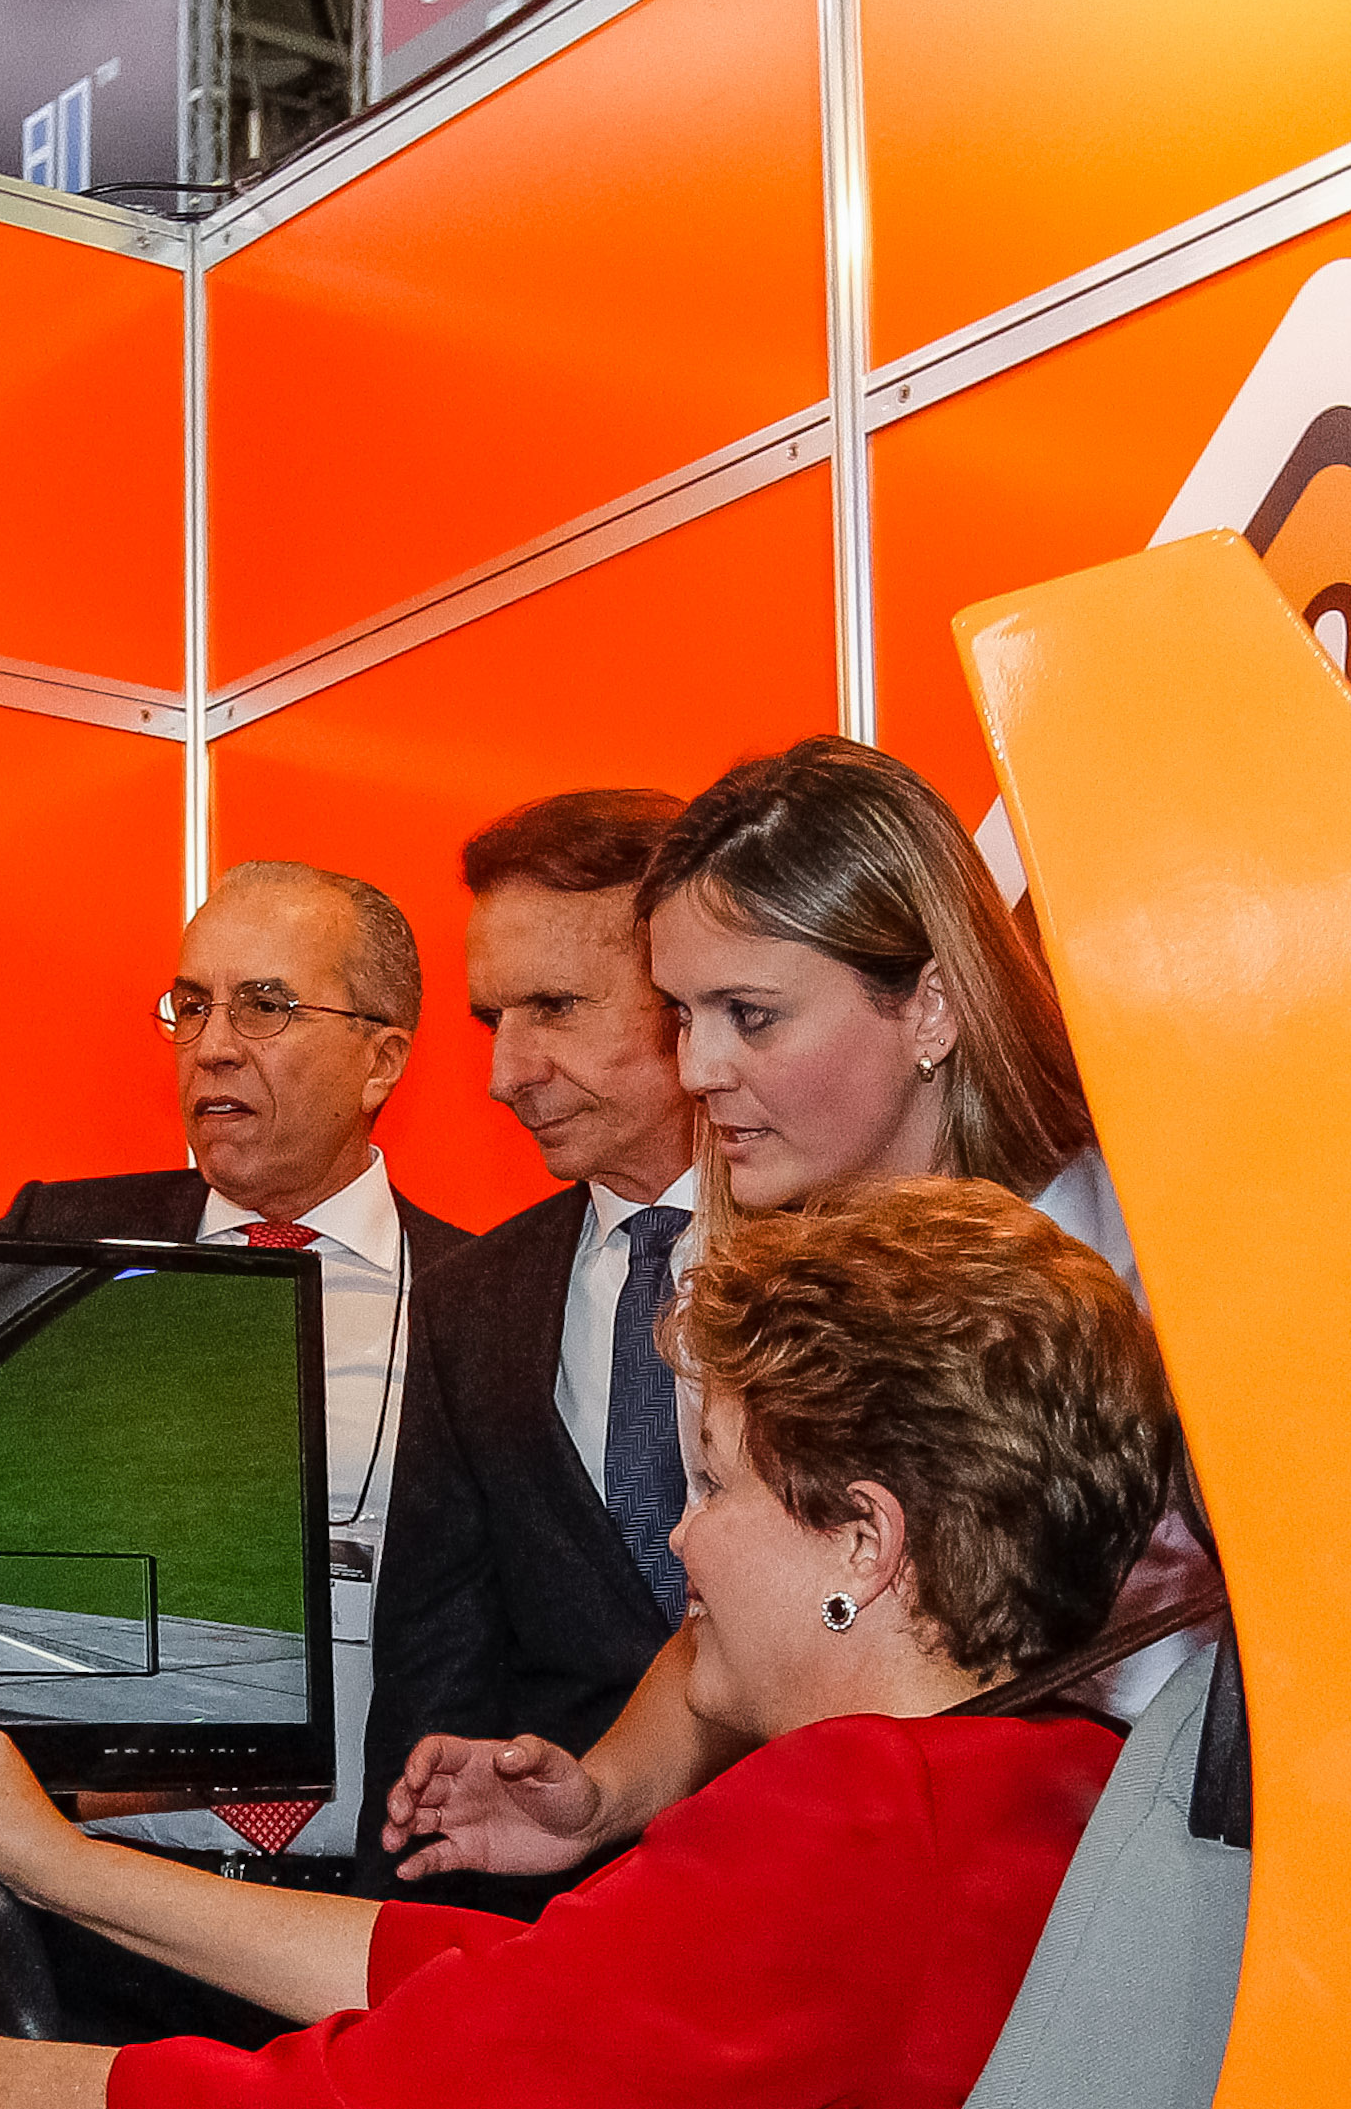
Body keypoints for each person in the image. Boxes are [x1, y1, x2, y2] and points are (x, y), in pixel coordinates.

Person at [0, 1178, 1178, 2109]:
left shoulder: (858, 1819)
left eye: (711, 1482)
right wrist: (53, 1859)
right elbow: (502, 1995)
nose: (682, 1541)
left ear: (864, 1538)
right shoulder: (1037, 1783)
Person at [380, 735, 1201, 1894]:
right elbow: (754, 1591)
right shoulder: (755, 1273)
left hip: (1150, 1862)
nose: (699, 1065)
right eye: (680, 1014)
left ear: (928, 1003)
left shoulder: (1154, 1238)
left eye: (748, 1015)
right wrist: (602, 1798)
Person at [0, 860, 471, 1878]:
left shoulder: (486, 1295)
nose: (210, 1047)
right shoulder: (55, 1248)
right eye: (191, 1006)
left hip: (354, 1923)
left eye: (263, 1007)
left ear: (380, 1062)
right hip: (84, 1895)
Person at [355, 791, 698, 1905]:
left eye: (552, 1005)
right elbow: (434, 1679)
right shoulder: (470, 1300)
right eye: (490, 1020)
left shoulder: (880, 1262)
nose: (505, 1075)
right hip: (555, 1935)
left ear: (694, 986)